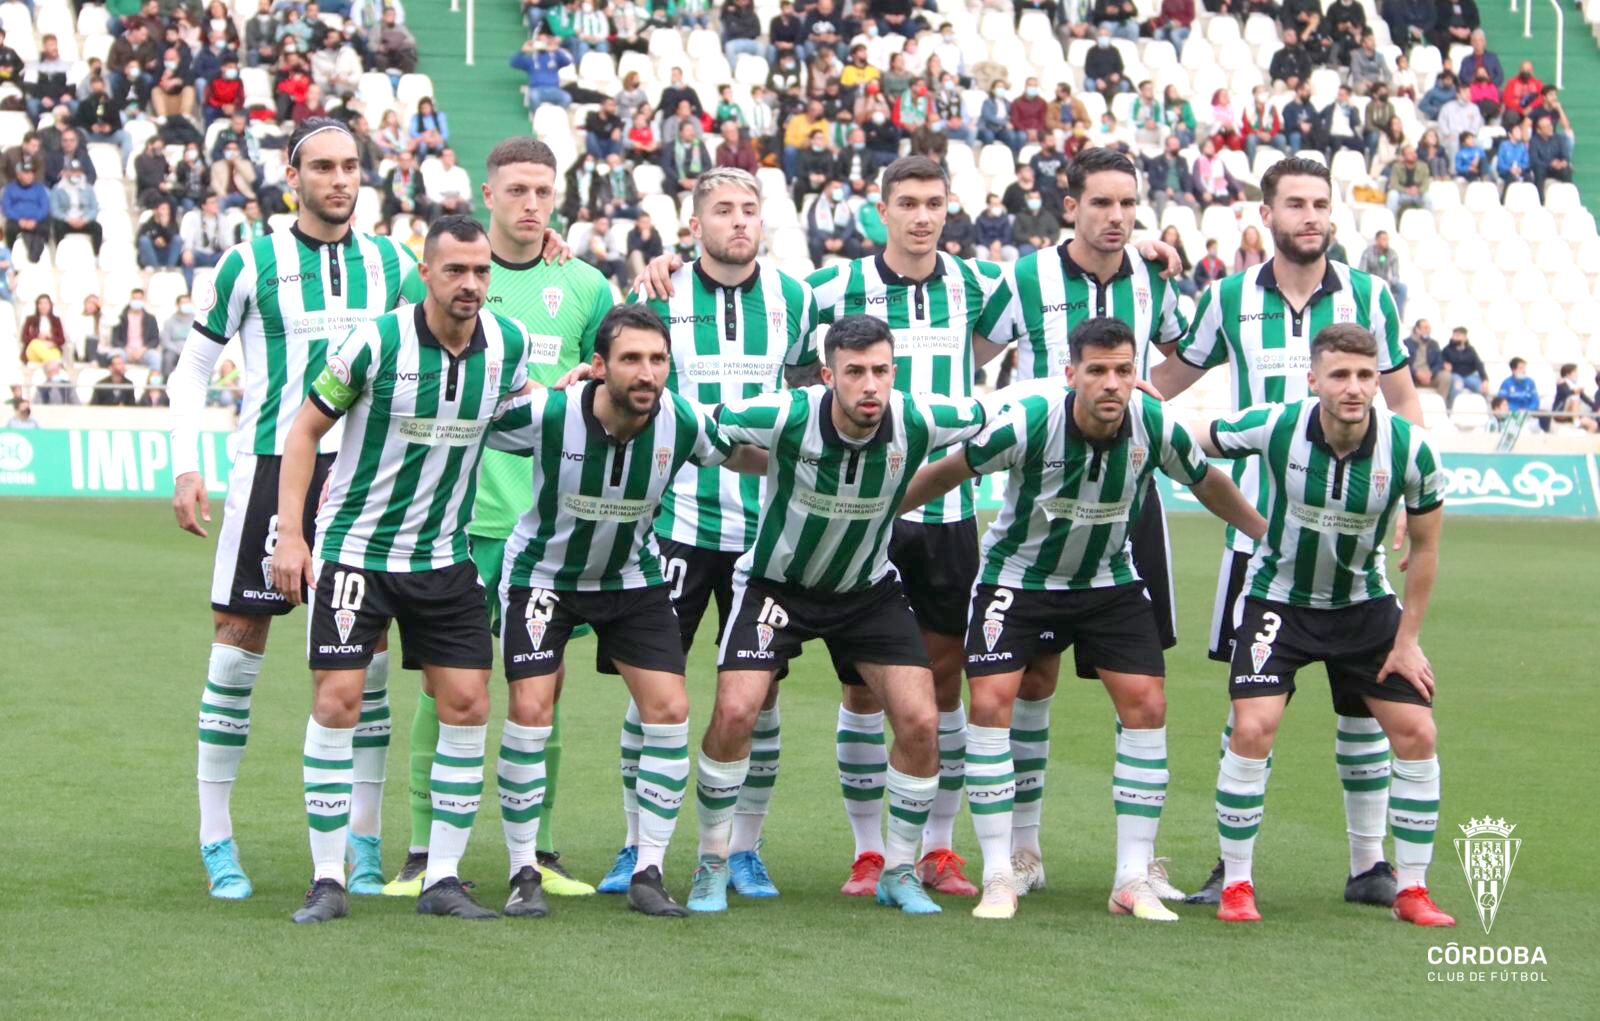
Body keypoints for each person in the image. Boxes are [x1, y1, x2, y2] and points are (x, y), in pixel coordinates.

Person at [902, 317, 1266, 919]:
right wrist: (881, 511)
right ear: (1071, 375)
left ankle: (1131, 878)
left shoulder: (1154, 424)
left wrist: (1264, 537)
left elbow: (1208, 483)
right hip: (1017, 579)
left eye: (1124, 370)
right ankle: (998, 872)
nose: (1111, 383)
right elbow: (948, 471)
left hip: (1108, 581)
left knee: (1147, 704)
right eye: (1097, 370)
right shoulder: (1028, 424)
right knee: (991, 703)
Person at [167, 119, 431, 902]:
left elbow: (463, 310)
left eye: (351, 166)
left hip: (365, 484)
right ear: (294, 176)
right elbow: (192, 370)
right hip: (269, 474)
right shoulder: (249, 261)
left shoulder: (393, 262)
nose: (339, 180)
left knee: (369, 662)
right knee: (237, 650)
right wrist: (187, 463)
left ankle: (363, 839)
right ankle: (217, 836)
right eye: (323, 167)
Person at [1150, 157, 1425, 908]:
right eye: (1295, 203)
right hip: (1259, 542)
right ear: (1266, 212)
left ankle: (1370, 864)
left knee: (1364, 706)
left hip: (1356, 549)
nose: (1310, 216)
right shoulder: (1229, 297)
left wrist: (1406, 492)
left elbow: (1402, 400)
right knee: (1249, 709)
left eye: (1320, 205)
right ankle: (1228, 866)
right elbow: (1165, 386)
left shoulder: (1370, 295)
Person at [267, 215, 532, 925]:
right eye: (456, 271)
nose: (471, 284)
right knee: (337, 703)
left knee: (470, 703)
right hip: (357, 552)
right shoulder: (375, 341)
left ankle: (441, 875)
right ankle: (328, 877)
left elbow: (516, 418)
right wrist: (292, 535)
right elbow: (304, 431)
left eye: (481, 272)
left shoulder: (508, 346)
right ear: (427, 272)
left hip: (444, 557)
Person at [688, 314, 990, 916]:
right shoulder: (787, 415)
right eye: (854, 373)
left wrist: (1090, 390)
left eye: (880, 370)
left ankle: (899, 870)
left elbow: (999, 410)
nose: (869, 385)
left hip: (866, 591)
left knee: (920, 720)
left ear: (894, 372)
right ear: (829, 375)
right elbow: (703, 426)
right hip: (778, 585)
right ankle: (712, 861)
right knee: (735, 710)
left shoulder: (922, 419)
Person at [574, 169, 822, 900]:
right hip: (676, 520)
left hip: (767, 528)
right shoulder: (659, 292)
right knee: (650, 689)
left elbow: (808, 390)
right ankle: (633, 844)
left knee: (762, 693)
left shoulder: (796, 298)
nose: (739, 221)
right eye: (723, 210)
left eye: (750, 209)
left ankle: (745, 848)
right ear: (694, 222)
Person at [385, 138, 611, 901]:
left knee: (541, 688)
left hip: (548, 526)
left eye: (543, 190)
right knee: (441, 684)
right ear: (487, 194)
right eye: (516, 189)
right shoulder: (454, 281)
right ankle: (421, 848)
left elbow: (610, 383)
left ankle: (537, 847)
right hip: (457, 521)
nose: (531, 203)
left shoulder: (583, 283)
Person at [493, 303, 765, 918]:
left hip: (632, 579)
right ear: (597, 367)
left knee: (669, 709)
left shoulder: (681, 420)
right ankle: (521, 871)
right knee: (531, 709)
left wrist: (811, 463)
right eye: (631, 359)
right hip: (544, 577)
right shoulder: (549, 414)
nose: (647, 373)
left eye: (658, 360)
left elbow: (739, 451)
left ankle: (648, 868)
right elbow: (470, 425)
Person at [1196, 323, 1454, 929]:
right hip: (1276, 602)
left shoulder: (1412, 449)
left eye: (1366, 376)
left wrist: (1408, 640)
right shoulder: (1278, 423)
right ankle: (1236, 883)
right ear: (1313, 380)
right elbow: (1196, 437)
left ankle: (1411, 889)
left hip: (1365, 608)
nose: (1355, 388)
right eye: (1340, 375)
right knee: (1253, 726)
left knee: (1417, 730)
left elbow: (1427, 550)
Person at [49, 159, 103, 257]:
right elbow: (55, 210)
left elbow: (94, 208)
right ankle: (60, 255)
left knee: (97, 228)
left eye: (77, 171)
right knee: (57, 227)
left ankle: (96, 256)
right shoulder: (57, 189)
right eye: (72, 171)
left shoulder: (88, 189)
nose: (74, 174)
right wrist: (68, 219)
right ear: (65, 172)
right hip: (66, 221)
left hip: (83, 221)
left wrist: (85, 219)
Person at [2, 160, 50, 262]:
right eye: (26, 173)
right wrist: (20, 220)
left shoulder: (40, 188)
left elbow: (45, 207)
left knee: (45, 228)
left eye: (31, 173)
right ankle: (10, 260)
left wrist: (35, 220)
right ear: (18, 175)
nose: (29, 176)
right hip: (17, 220)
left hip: (36, 220)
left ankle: (37, 257)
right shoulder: (10, 189)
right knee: (10, 229)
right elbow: (6, 208)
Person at [511, 34, 573, 111]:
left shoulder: (554, 57)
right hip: (537, 89)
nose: (542, 43)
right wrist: (522, 51)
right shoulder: (531, 60)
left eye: (545, 41)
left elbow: (567, 62)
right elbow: (513, 63)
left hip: (554, 89)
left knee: (566, 98)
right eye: (540, 41)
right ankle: (537, 117)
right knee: (533, 97)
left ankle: (554, 116)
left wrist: (556, 50)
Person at [1358, 230, 1406, 317]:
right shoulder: (1367, 253)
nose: (1386, 242)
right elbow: (1362, 272)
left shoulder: (1392, 253)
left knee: (1402, 288)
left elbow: (1396, 275)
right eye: (1383, 239)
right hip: (1371, 282)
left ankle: (1397, 316)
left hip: (1387, 283)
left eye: (1387, 239)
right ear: (1377, 240)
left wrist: (1391, 283)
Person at [1439, 325, 1490, 406]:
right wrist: (1444, 365)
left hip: (1469, 375)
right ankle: (1449, 410)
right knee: (1456, 388)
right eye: (1454, 335)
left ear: (1464, 337)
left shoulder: (1470, 350)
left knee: (1482, 388)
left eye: (1458, 335)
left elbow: (1478, 364)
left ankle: (1489, 411)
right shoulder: (1447, 350)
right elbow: (1441, 361)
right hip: (1455, 375)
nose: (1455, 337)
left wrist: (1485, 380)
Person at [1404, 319, 1449, 399]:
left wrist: (1431, 373)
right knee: (1401, 376)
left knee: (1446, 376)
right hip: (1412, 376)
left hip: (1430, 375)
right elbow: (1404, 363)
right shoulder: (1406, 343)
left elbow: (1439, 362)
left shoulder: (1434, 344)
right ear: (1417, 329)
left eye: (1428, 328)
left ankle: (1440, 404)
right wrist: (1416, 373)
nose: (1427, 331)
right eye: (1425, 328)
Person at [1529, 117, 1573, 195]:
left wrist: (1564, 162)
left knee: (1566, 170)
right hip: (1543, 168)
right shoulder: (1534, 141)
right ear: (1539, 130)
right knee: (1538, 170)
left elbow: (1565, 154)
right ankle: (1541, 201)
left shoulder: (1559, 138)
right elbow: (1534, 160)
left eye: (1550, 125)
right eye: (1546, 127)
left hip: (1557, 167)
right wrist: (1550, 164)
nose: (1550, 128)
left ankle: (1568, 196)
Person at [1550, 363, 1598, 432]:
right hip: (1560, 412)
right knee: (1574, 398)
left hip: (1572, 414)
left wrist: (1597, 407)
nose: (1577, 374)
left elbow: (1586, 399)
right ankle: (1576, 421)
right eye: (1575, 372)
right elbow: (1567, 393)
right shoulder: (1561, 384)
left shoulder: (1575, 386)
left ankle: (1585, 440)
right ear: (1567, 374)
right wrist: (1575, 391)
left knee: (1593, 424)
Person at [1386, 146, 1431, 215]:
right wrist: (1406, 190)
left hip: (1418, 195)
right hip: (1402, 194)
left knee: (1427, 196)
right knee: (1392, 195)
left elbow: (1426, 185)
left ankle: (1430, 222)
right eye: (1410, 153)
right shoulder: (1397, 167)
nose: (1413, 155)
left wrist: (1418, 190)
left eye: (1414, 152)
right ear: (1404, 157)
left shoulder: (1423, 166)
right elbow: (1393, 184)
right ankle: (1390, 223)